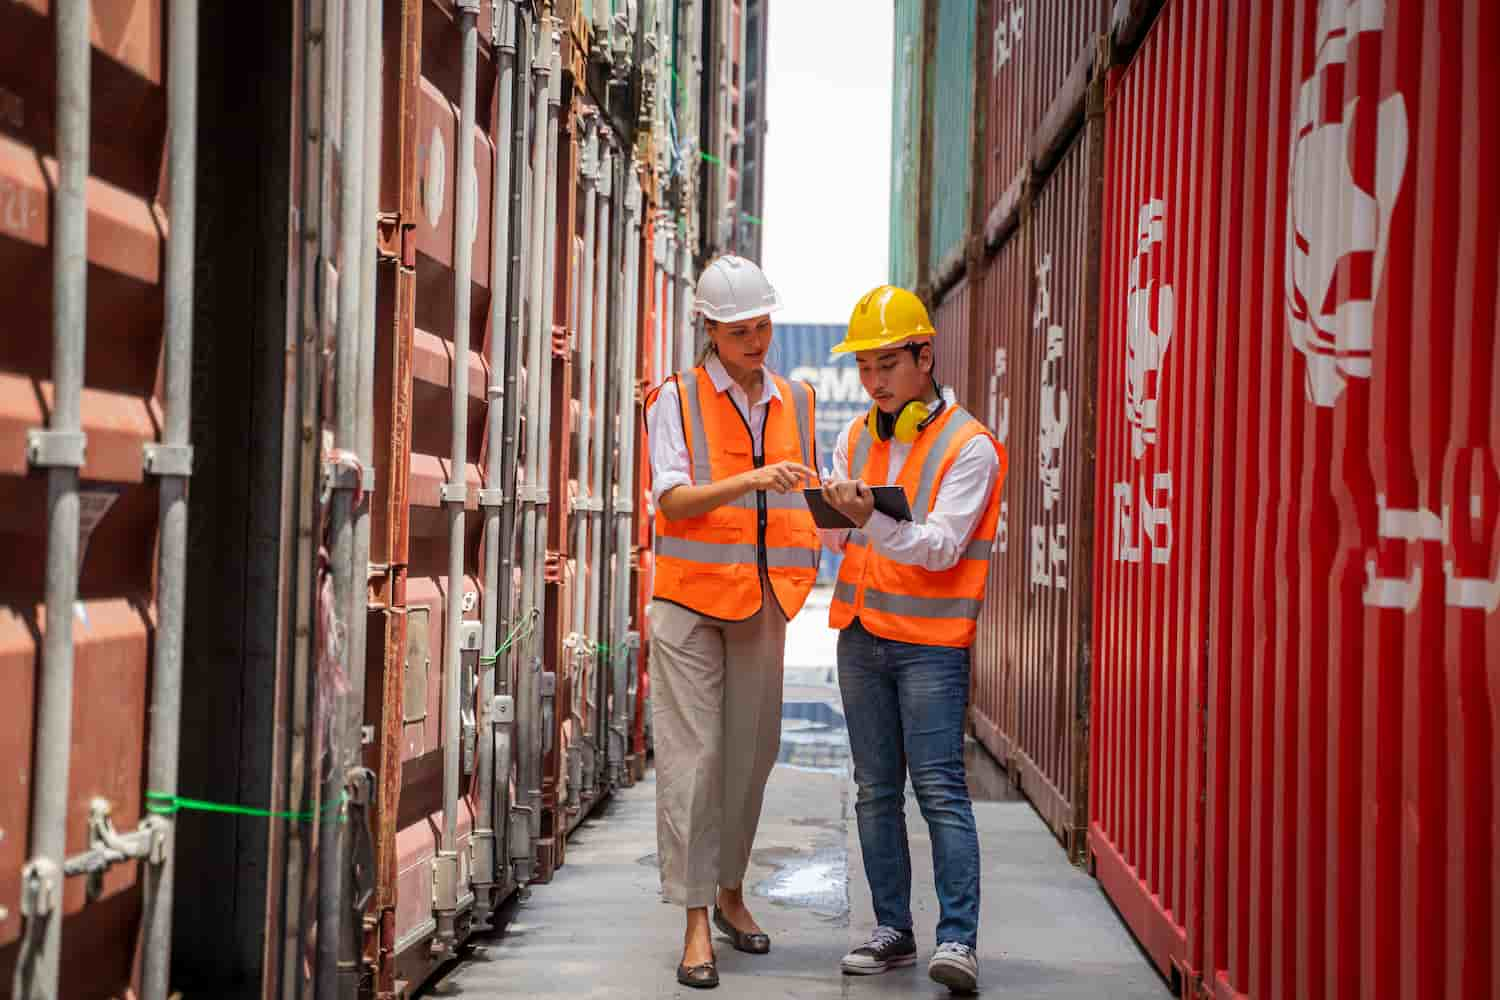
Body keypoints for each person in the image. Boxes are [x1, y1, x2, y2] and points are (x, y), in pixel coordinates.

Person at [818, 285, 1006, 994]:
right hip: (861, 634)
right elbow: (842, 540)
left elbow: (942, 546)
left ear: (926, 354)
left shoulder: (971, 446)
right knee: (873, 790)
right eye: (865, 367)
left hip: (930, 644)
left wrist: (872, 519)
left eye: (887, 364)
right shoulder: (857, 435)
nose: (874, 381)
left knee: (939, 790)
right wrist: (832, 512)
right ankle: (893, 930)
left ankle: (957, 940)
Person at [642, 254, 821, 989]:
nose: (758, 340)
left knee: (750, 757)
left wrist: (833, 497)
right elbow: (672, 502)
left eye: (764, 325)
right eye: (742, 329)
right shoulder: (675, 400)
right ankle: (692, 921)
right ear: (710, 330)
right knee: (696, 761)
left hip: (762, 601)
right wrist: (747, 479)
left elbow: (797, 498)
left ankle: (730, 893)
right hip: (688, 602)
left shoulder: (797, 401)